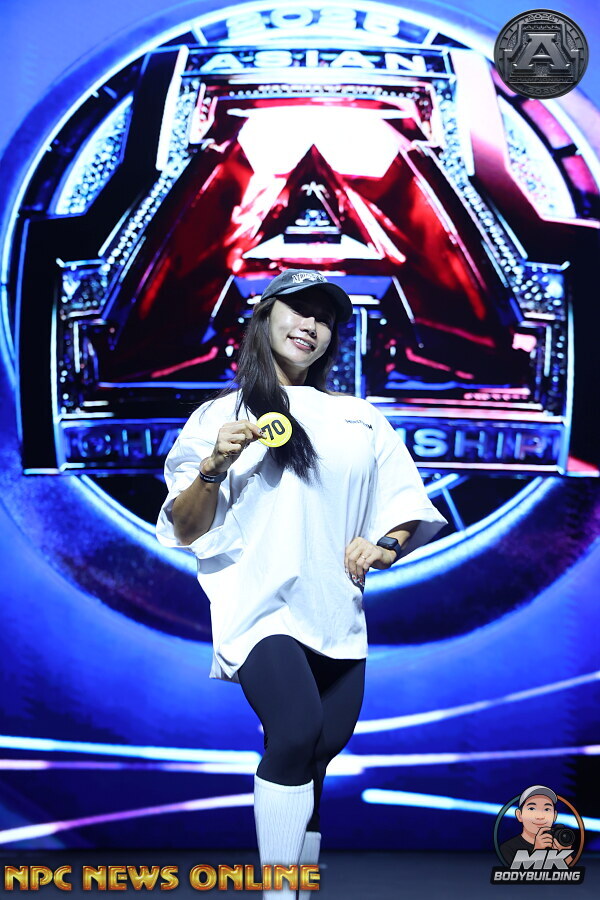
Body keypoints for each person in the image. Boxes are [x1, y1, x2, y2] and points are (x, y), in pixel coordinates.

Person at [156, 268, 448, 898]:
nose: (311, 325)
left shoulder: (358, 418)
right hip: (259, 608)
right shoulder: (221, 416)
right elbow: (183, 527)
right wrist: (213, 465)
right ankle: (279, 892)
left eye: (325, 317)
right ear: (264, 317)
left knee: (315, 752)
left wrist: (386, 545)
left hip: (337, 611)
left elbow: (406, 507)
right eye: (298, 309)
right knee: (293, 731)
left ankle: (298, 886)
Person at [500, 785, 574, 867]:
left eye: (547, 809)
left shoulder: (558, 843)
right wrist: (537, 851)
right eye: (532, 809)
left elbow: (573, 873)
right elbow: (515, 874)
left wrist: (565, 854)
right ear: (519, 815)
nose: (540, 816)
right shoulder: (507, 848)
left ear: (555, 816)